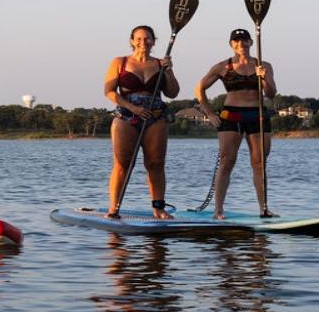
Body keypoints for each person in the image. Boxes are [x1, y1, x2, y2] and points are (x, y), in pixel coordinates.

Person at [195, 28, 278, 219]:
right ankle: (218, 210)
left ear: (250, 43)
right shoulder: (222, 67)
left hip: (257, 115)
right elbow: (199, 88)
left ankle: (263, 208)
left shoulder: (263, 65)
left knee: (259, 164)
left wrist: (263, 77)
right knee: (227, 162)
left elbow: (272, 94)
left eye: (244, 40)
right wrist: (209, 113)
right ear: (231, 44)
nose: (240, 44)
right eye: (236, 41)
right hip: (231, 115)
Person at [104, 25, 179, 219]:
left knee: (155, 163)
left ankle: (158, 208)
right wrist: (133, 108)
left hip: (155, 116)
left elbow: (173, 93)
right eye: (138, 39)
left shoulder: (160, 64)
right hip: (127, 115)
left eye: (147, 39)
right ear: (131, 41)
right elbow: (109, 92)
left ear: (154, 41)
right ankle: (114, 208)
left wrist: (169, 71)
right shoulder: (120, 62)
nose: (143, 42)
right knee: (122, 164)